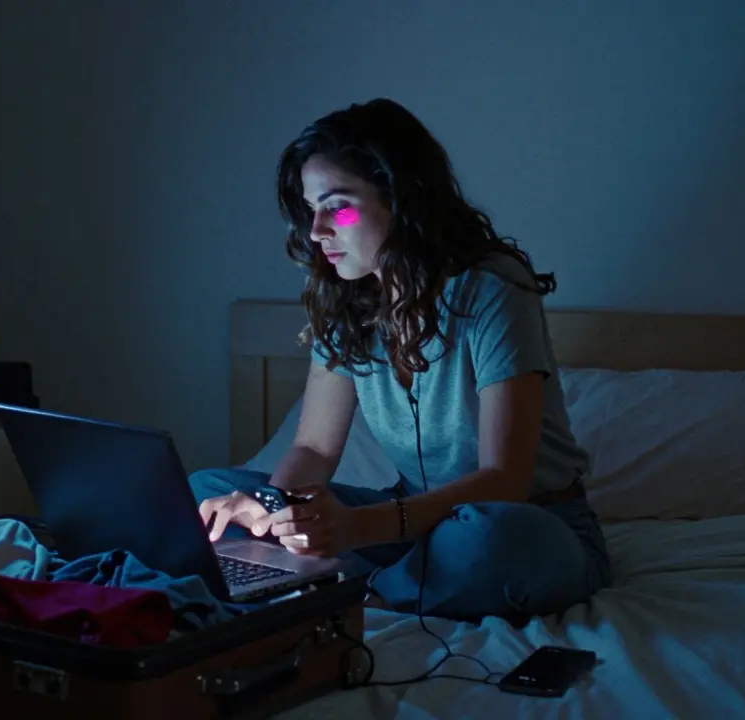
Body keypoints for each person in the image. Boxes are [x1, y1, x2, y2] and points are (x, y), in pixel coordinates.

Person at [189, 98, 610, 625]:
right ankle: (373, 583)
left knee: (491, 538)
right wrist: (276, 511)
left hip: (528, 521)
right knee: (205, 494)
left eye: (337, 206)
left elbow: (504, 479)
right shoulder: (348, 299)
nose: (317, 230)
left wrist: (356, 529)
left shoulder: (492, 288)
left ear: (402, 198)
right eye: (310, 208)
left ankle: (346, 592)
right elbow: (314, 447)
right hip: (402, 525)